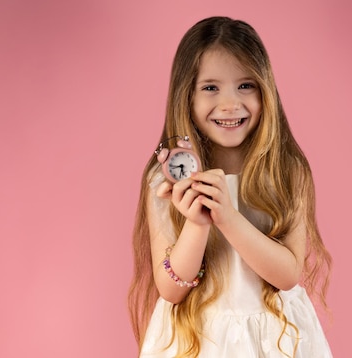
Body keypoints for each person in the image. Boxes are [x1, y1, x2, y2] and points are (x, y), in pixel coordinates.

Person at [128, 16, 333, 357]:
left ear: (265, 90)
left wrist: (228, 217)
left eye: (245, 85)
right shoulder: (165, 179)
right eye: (211, 87)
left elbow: (288, 275)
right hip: (197, 338)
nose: (229, 104)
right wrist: (197, 223)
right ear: (187, 97)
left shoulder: (285, 171)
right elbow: (170, 288)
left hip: (276, 340)